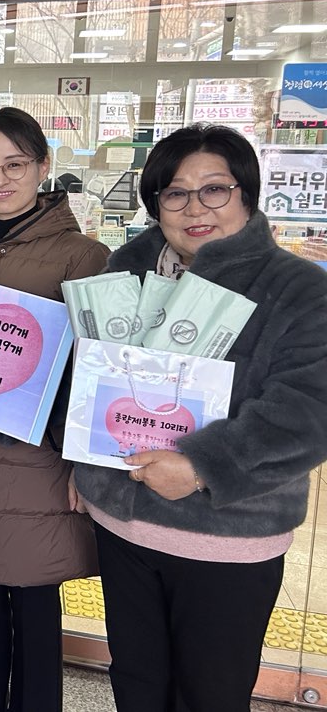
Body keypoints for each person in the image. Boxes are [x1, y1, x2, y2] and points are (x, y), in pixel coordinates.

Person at [74, 124, 327, 712]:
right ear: (155, 202)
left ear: (246, 194)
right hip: (126, 525)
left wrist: (203, 465)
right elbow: (88, 371)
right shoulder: (124, 271)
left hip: (226, 538)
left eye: (214, 189)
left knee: (210, 694)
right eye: (174, 193)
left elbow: (309, 411)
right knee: (135, 682)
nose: (195, 208)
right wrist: (81, 460)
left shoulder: (297, 290)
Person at [0, 107, 110, 712]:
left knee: (33, 609)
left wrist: (80, 459)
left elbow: (93, 372)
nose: (0, 180)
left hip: (35, 464)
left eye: (15, 165)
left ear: (43, 167)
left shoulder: (83, 256)